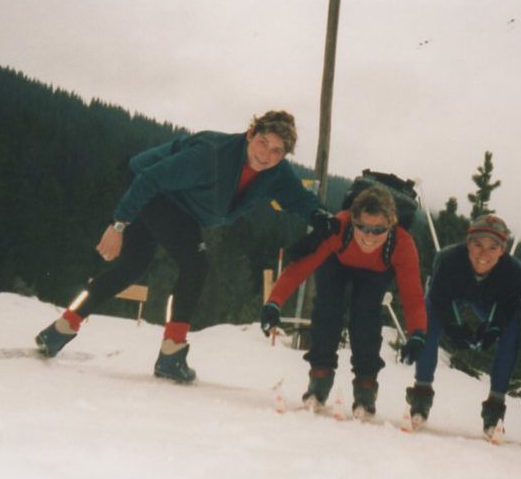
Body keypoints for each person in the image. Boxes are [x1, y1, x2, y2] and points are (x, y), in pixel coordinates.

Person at [35, 111, 337, 383]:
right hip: (153, 191)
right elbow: (150, 178)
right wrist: (118, 226)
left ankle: (61, 329)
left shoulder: (276, 173)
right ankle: (171, 354)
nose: (267, 155)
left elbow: (299, 198)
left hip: (180, 205)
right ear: (250, 134)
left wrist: (319, 215)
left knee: (131, 268)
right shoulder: (212, 156)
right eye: (262, 143)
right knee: (195, 264)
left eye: (277, 151)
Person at [260, 186, 426, 419]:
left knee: (366, 318)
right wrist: (274, 302)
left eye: (378, 230)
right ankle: (319, 380)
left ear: (392, 226)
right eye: (362, 227)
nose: (369, 237)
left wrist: (417, 333)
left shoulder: (402, 244)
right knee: (327, 310)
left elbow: (413, 296)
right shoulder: (340, 227)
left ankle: (365, 390)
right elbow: (301, 267)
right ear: (353, 220)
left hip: (376, 273)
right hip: (337, 263)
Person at [411, 214, 521, 438]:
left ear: (503, 250)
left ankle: (495, 407)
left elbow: (506, 308)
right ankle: (421, 394)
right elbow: (440, 299)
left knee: (510, 331)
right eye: (478, 244)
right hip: (453, 297)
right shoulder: (448, 259)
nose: (484, 254)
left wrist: (492, 327)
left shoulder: (514, 271)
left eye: (493, 247)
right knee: (429, 320)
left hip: (489, 301)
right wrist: (455, 326)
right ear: (467, 243)